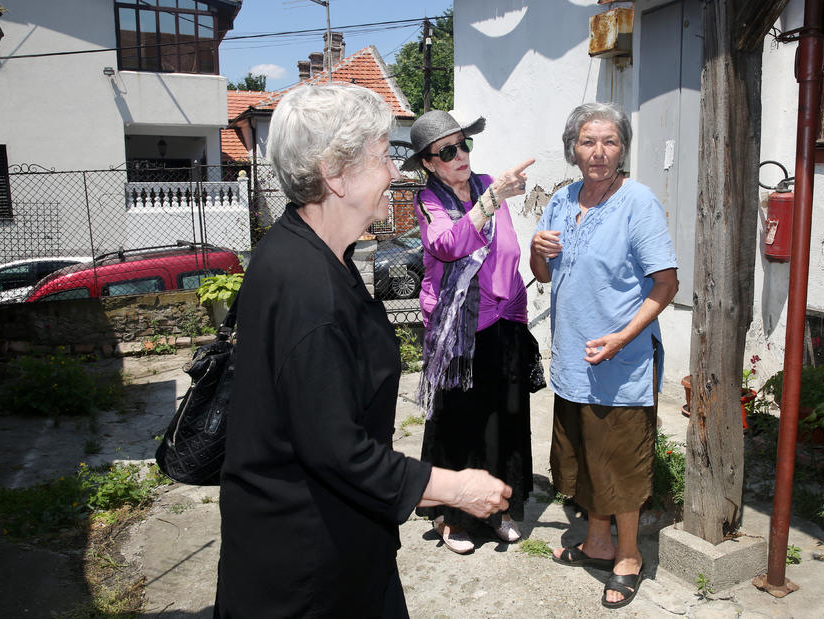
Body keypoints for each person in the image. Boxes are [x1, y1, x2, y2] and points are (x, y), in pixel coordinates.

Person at [215, 85, 512, 618]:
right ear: (335, 173)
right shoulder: (309, 289)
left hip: (343, 541)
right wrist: (455, 486)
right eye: (381, 159)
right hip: (308, 567)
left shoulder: (308, 250)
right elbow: (336, 450)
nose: (396, 174)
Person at [529, 102, 678, 610]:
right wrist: (536, 248)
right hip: (573, 355)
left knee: (620, 462)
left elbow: (666, 284)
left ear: (623, 149)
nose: (598, 152)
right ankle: (596, 542)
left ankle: (629, 557)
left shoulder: (639, 202)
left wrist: (622, 337)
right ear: (573, 148)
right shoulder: (562, 200)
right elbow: (546, 275)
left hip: (620, 361)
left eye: (610, 142)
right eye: (588, 142)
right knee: (585, 456)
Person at [401, 110, 538, 554]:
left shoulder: (483, 185)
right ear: (429, 162)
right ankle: (451, 517)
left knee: (503, 418)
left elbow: (508, 250)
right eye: (448, 150)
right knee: (460, 423)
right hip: (460, 328)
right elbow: (447, 244)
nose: (460, 155)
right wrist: (493, 197)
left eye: (463, 145)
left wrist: (514, 300)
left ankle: (497, 508)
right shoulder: (429, 201)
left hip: (505, 318)